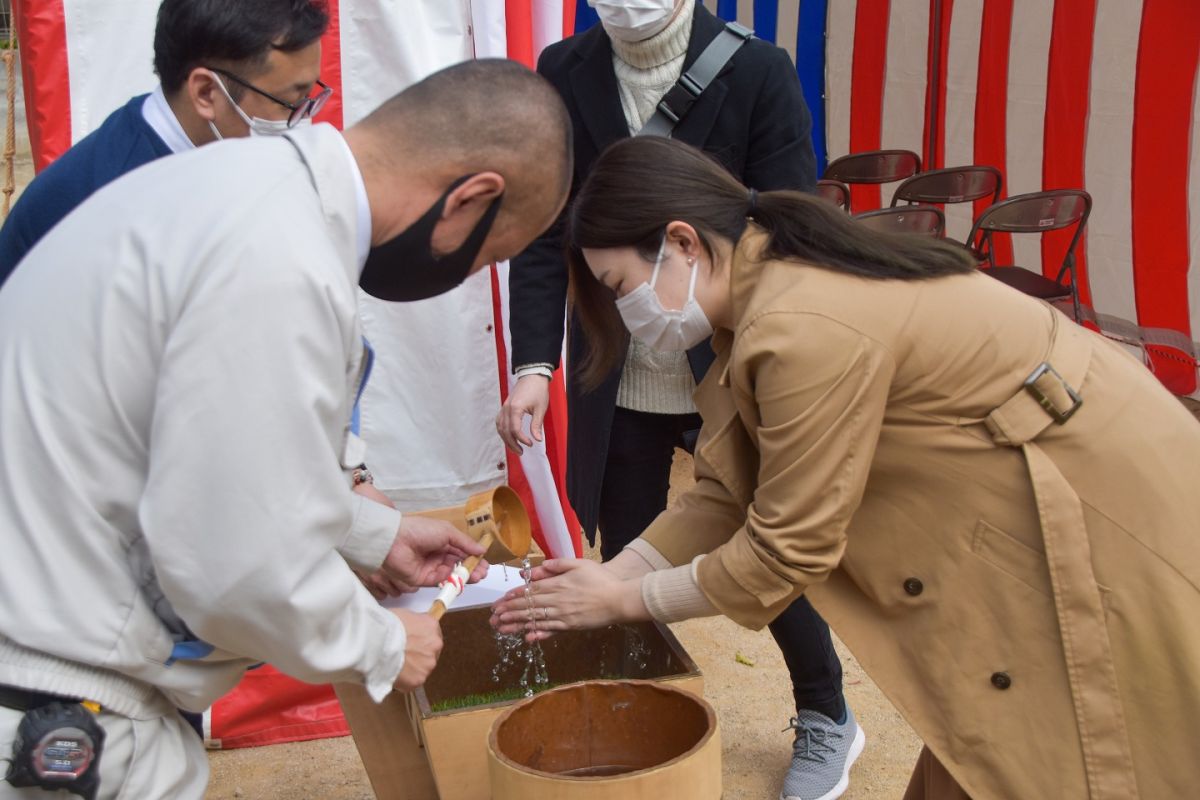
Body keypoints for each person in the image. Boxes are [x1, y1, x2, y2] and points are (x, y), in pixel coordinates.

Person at [493, 136, 1200, 799]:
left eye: (621, 286)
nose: (626, 311)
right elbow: (728, 489)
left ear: (682, 242)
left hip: (1102, 513)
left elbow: (785, 550)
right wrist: (616, 572)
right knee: (986, 749)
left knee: (1074, 750)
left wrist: (624, 602)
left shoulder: (801, 324)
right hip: (1046, 501)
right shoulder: (761, 289)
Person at [0, 59, 571, 799]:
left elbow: (218, 456)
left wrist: (373, 535)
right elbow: (235, 561)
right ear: (468, 200)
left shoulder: (241, 193)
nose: (468, 275)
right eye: (487, 257)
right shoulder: (278, 260)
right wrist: (381, 644)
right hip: (67, 694)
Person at [493, 3, 858, 796]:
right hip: (623, 361)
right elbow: (547, 235)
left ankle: (827, 712)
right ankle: (651, 714)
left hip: (728, 352)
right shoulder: (563, 70)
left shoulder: (755, 69)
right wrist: (533, 366)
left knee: (769, 535)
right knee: (633, 535)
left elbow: (789, 222)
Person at [0, 0, 333, 281]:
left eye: (311, 98)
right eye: (290, 102)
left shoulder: (214, 151)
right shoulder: (106, 213)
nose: (303, 120)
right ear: (205, 92)